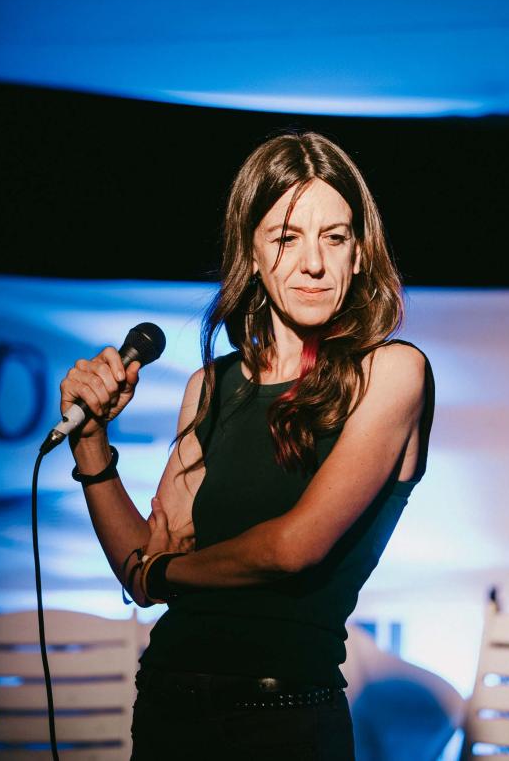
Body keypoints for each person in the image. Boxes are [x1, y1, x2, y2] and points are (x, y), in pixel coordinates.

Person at [63, 131, 435, 760]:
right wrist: (91, 443)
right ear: (252, 254)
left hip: (283, 720)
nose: (313, 263)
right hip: (166, 709)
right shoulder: (210, 387)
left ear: (359, 254)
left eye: (334, 237)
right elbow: (141, 567)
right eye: (286, 238)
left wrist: (166, 571)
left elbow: (294, 548)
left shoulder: (392, 373)